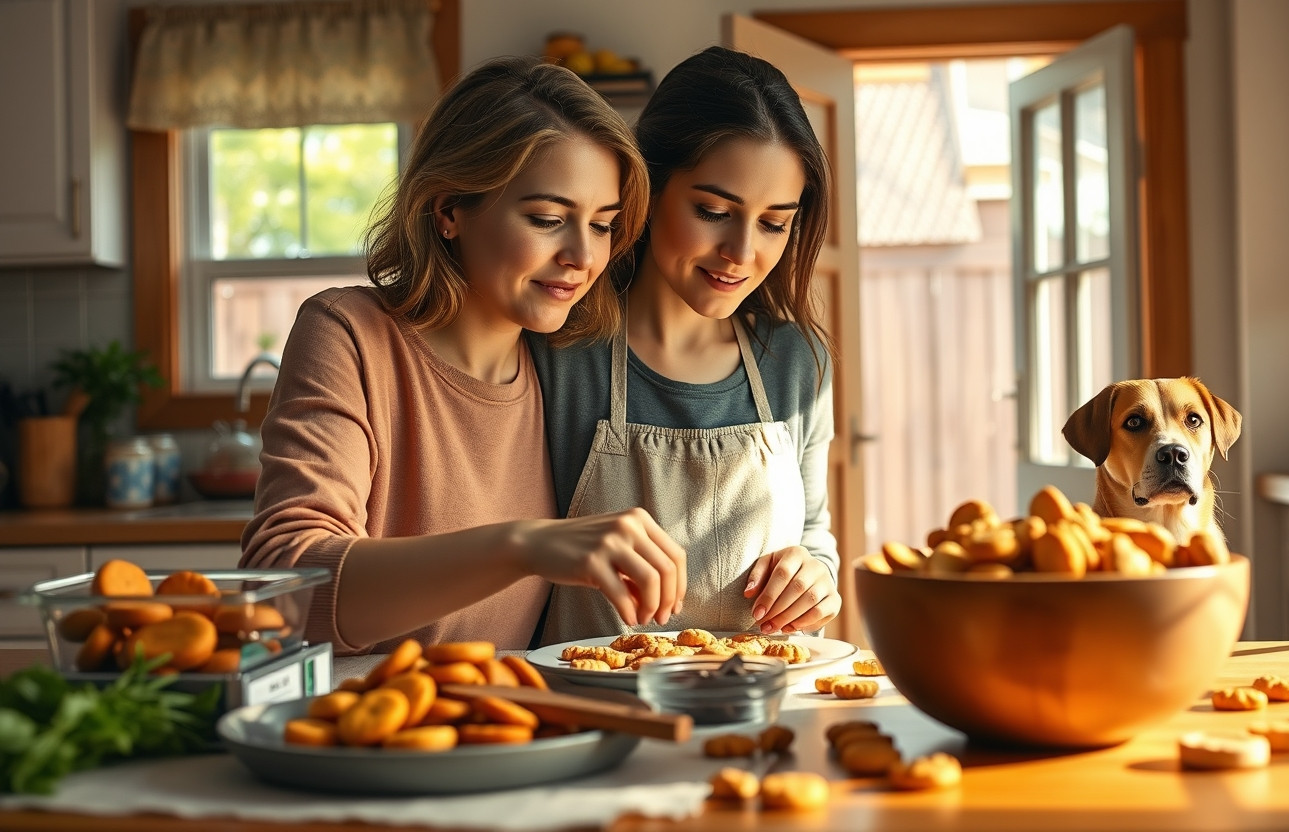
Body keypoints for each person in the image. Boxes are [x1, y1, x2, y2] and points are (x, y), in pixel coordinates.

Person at [241, 56, 688, 656]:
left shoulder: (565, 366)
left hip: (507, 724)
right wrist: (523, 546)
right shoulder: (349, 334)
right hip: (350, 727)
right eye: (548, 219)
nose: (583, 256)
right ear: (449, 209)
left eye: (603, 225)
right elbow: (284, 587)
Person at [530, 46, 842, 644]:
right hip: (601, 716)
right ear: (647, 187)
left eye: (775, 222)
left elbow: (813, 531)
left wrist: (816, 576)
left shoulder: (798, 361)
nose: (742, 252)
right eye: (713, 210)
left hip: (767, 715)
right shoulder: (557, 349)